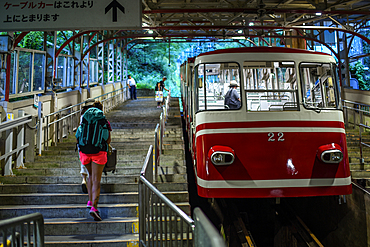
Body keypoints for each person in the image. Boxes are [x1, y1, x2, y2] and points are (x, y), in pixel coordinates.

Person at [76, 100, 111, 221]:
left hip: (85, 152)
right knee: (96, 179)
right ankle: (94, 208)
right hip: (98, 152)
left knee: (90, 175)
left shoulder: (85, 118)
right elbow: (107, 139)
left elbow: (77, 136)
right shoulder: (103, 120)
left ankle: (90, 201)